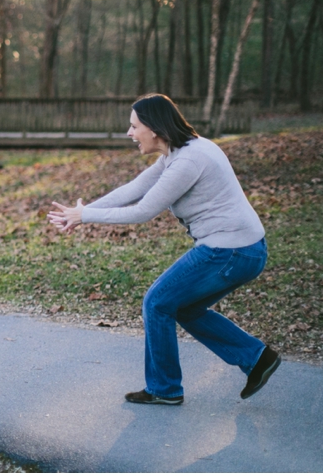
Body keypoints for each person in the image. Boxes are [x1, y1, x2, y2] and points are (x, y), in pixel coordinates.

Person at [47, 93, 280, 405]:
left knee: (156, 303)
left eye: (134, 126)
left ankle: (164, 389)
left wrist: (85, 215)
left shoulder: (187, 160)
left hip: (230, 251)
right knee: (182, 307)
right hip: (242, 249)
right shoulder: (179, 152)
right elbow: (134, 189)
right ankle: (257, 358)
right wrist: (79, 213)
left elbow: (143, 211)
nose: (129, 133)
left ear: (154, 128)